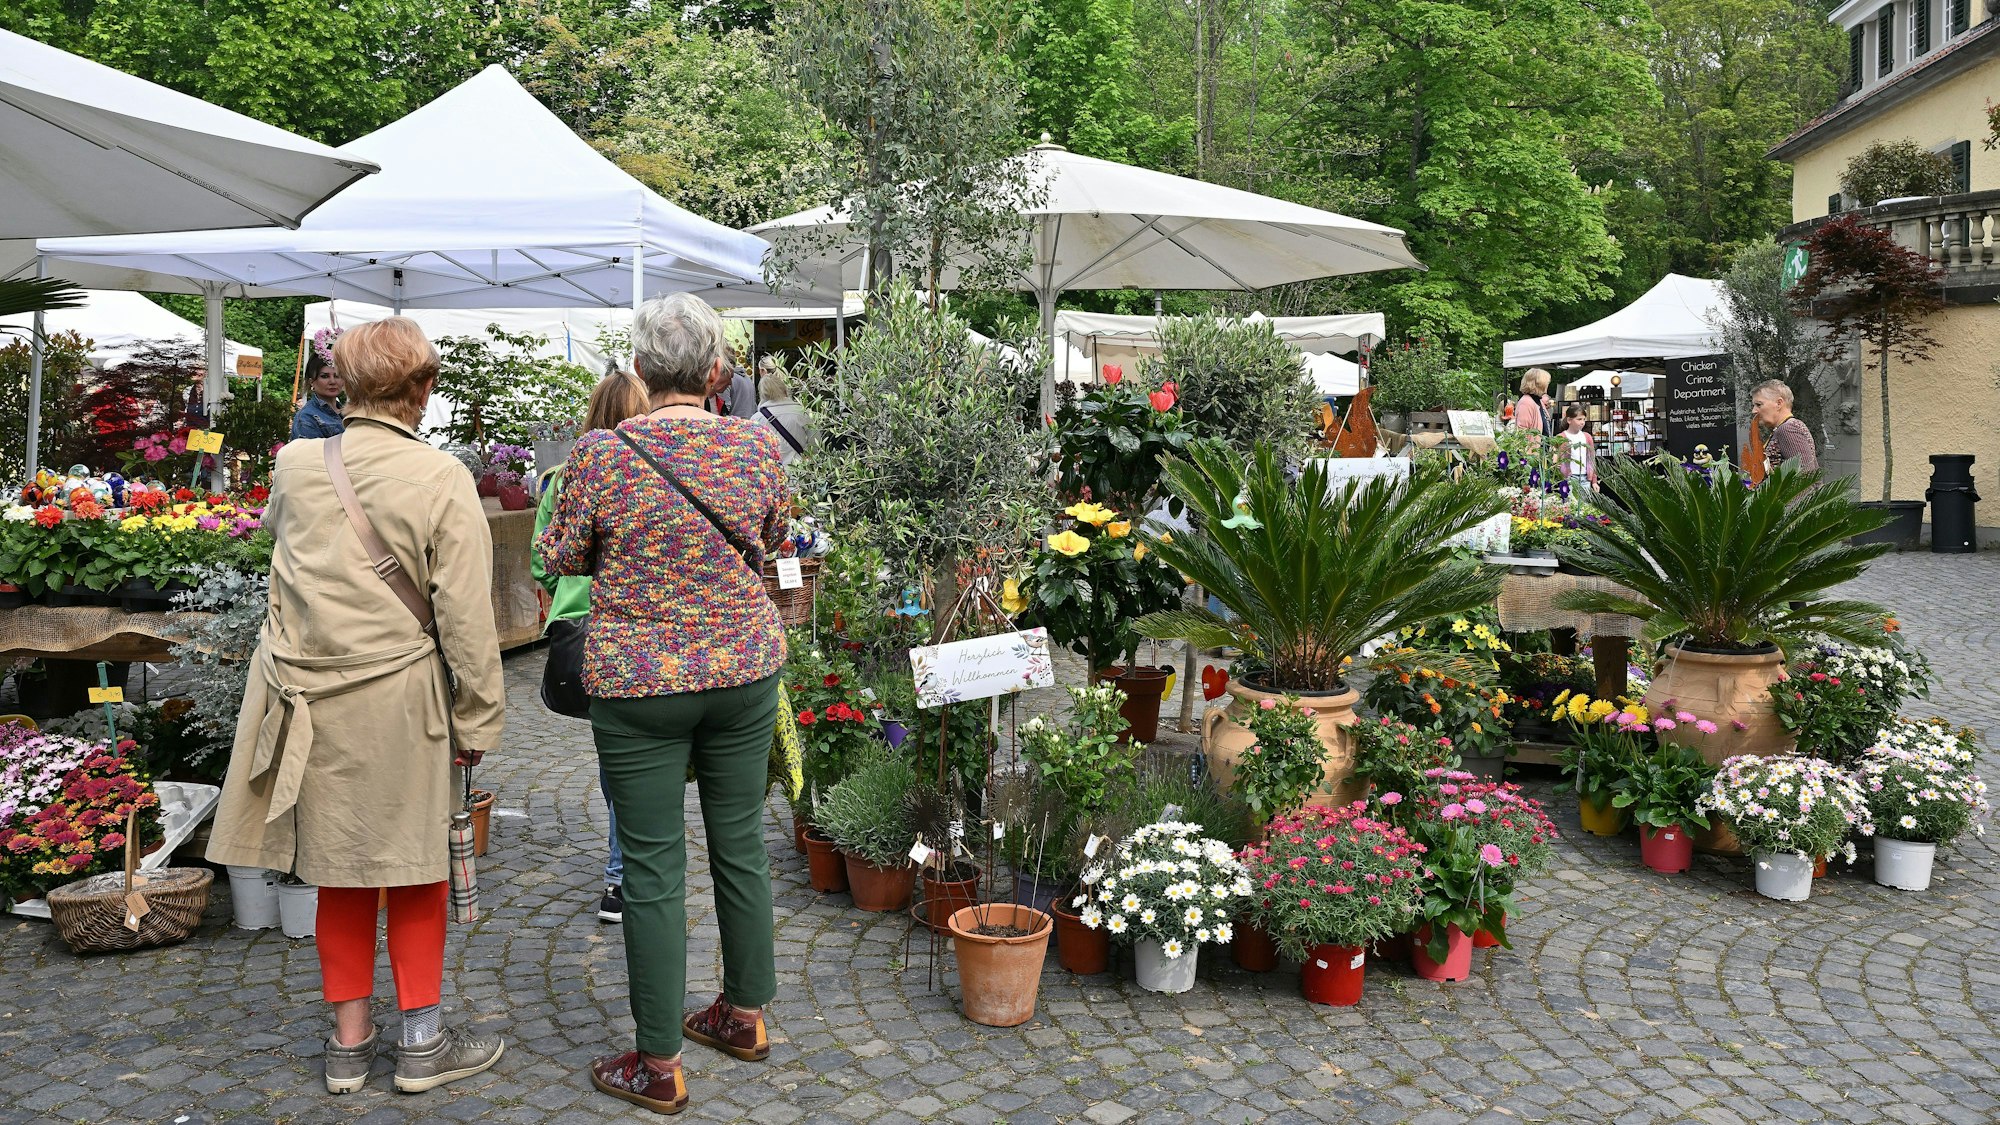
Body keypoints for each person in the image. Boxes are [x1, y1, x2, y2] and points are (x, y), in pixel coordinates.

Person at [206, 317, 507, 1096]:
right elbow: (467, 620)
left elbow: (286, 553)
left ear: (344, 384)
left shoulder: (298, 462)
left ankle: (347, 1048)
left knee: (336, 873)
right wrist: (479, 720)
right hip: (401, 703)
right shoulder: (441, 478)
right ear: (422, 389)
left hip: (309, 700)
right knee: (414, 873)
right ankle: (422, 1045)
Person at [537, 293, 789, 1115]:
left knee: (650, 867)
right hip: (743, 671)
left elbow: (561, 556)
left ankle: (658, 1063)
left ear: (640, 371)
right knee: (741, 844)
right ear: (718, 372)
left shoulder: (602, 455)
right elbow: (777, 537)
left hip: (640, 680)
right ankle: (745, 1015)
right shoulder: (755, 449)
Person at [531, 365, 651, 924]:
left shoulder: (561, 476)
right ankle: (622, 880)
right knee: (635, 759)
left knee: (614, 755)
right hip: (632, 630)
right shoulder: (644, 472)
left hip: (579, 632)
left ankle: (622, 877)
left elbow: (541, 560)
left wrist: (569, 594)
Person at [753, 357, 819, 464]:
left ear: (762, 394)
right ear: (785, 390)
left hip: (771, 473)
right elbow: (816, 444)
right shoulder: (803, 412)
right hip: (799, 472)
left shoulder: (757, 418)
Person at [1753, 379, 1818, 474]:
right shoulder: (1786, 427)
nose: (1754, 411)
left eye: (1759, 404)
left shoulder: (1788, 429)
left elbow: (1806, 478)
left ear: (1779, 403)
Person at [291, 362, 347, 439]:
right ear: (312, 382)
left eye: (337, 376)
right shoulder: (307, 417)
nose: (332, 381)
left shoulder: (349, 412)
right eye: (325, 376)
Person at [1559, 404, 1598, 490]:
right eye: (1579, 419)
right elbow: (1557, 459)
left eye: (1584, 419)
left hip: (1585, 478)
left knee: (1586, 503)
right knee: (1570, 502)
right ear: (1569, 420)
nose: (1582, 422)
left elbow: (1591, 460)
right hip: (1569, 478)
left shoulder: (1587, 437)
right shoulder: (1561, 437)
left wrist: (1594, 481)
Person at [1512, 369, 1555, 438]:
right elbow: (1522, 432)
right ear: (1540, 384)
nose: (1547, 385)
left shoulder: (1538, 401)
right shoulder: (1526, 403)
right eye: (1546, 383)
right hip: (1533, 448)